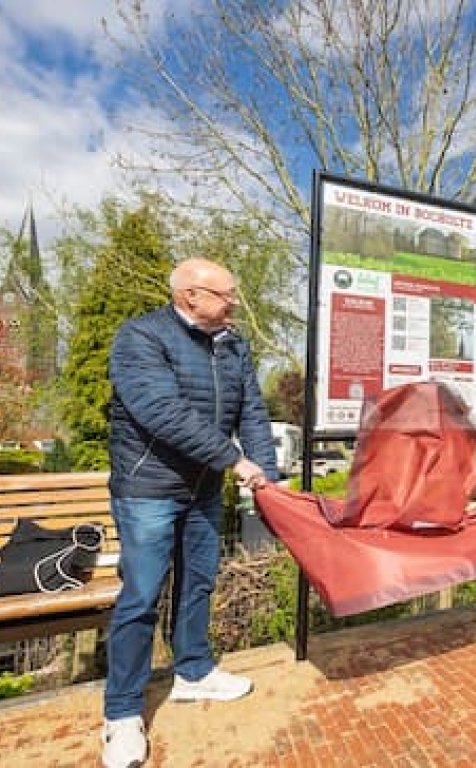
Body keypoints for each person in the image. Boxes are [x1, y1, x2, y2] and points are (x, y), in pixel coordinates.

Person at [101, 258, 277, 768]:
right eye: (226, 294)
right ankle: (122, 715)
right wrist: (233, 459)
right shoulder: (140, 338)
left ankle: (194, 671)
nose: (235, 302)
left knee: (198, 581)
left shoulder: (233, 344)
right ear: (190, 296)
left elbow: (253, 411)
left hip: (203, 488)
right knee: (141, 595)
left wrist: (264, 474)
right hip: (149, 488)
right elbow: (161, 412)